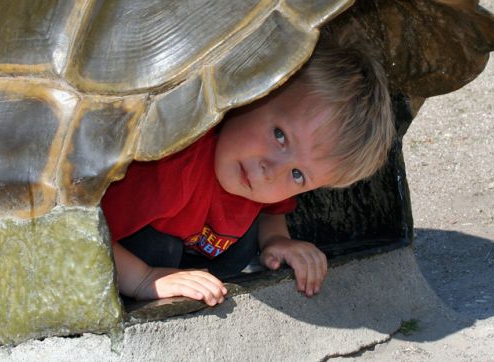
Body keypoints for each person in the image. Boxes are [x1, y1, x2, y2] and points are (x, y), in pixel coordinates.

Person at [100, 34, 395, 307]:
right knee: (158, 248)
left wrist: (276, 240)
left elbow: (273, 207)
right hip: (131, 253)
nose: (271, 170)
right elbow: (87, 234)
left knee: (243, 245)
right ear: (254, 92)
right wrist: (143, 277)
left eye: (298, 175)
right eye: (280, 136)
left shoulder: (254, 174)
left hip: (200, 249)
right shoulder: (169, 169)